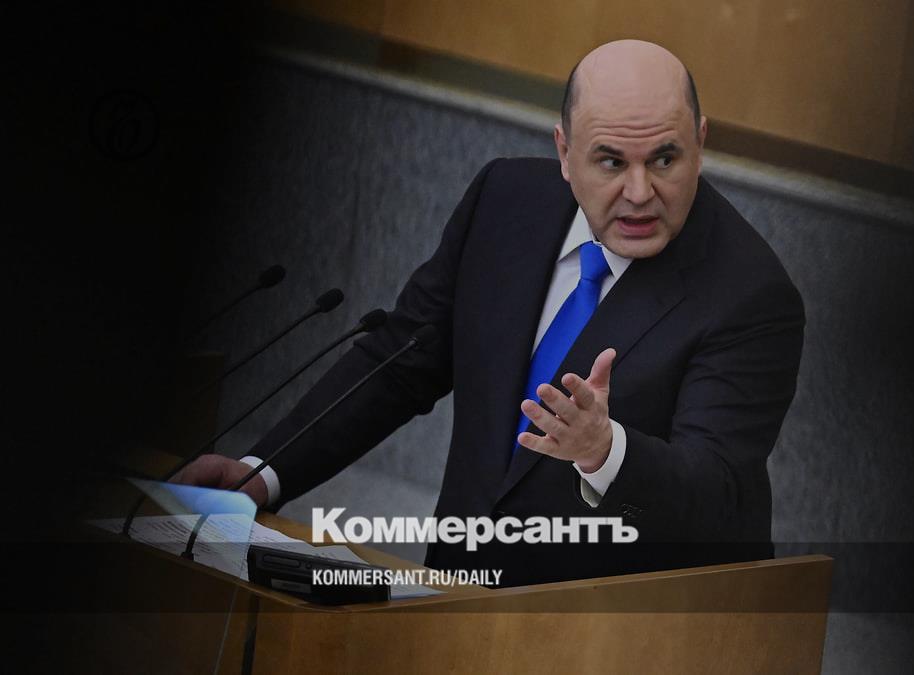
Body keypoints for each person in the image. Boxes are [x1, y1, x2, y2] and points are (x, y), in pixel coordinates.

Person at [175, 39, 805, 587]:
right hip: (455, 589)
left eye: (664, 159)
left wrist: (606, 451)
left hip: (612, 629)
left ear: (700, 142)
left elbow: (719, 496)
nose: (640, 193)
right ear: (564, 152)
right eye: (612, 161)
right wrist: (264, 473)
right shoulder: (505, 201)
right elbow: (401, 362)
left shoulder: (748, 294)